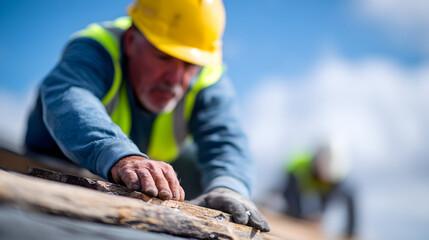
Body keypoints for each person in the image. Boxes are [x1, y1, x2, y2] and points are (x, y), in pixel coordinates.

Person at [25, 0, 269, 232]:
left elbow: (226, 140)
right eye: (163, 56)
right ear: (131, 40)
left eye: (188, 65)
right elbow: (69, 98)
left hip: (134, 174)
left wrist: (229, 187)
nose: (174, 79)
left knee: (201, 171)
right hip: (53, 159)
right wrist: (122, 155)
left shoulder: (208, 78)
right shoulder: (98, 48)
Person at [283, 143, 356, 237]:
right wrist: (299, 216)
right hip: (295, 188)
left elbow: (350, 198)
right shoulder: (299, 168)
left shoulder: (339, 175)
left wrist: (350, 233)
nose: (324, 181)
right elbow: (290, 196)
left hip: (325, 190)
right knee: (288, 208)